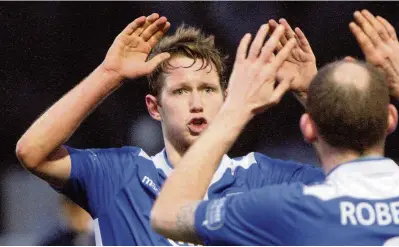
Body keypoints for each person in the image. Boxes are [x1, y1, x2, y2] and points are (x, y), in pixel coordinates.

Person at [151, 9, 399, 245]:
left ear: (308, 128)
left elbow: (167, 214)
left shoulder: (287, 209)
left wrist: (235, 109)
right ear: (391, 119)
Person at [15, 13, 323, 245]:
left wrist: (312, 93)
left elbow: (361, 180)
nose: (196, 102)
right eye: (180, 91)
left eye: (207, 89)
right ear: (154, 107)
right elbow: (33, 152)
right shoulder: (120, 174)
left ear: (227, 98)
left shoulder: (264, 178)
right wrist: (108, 74)